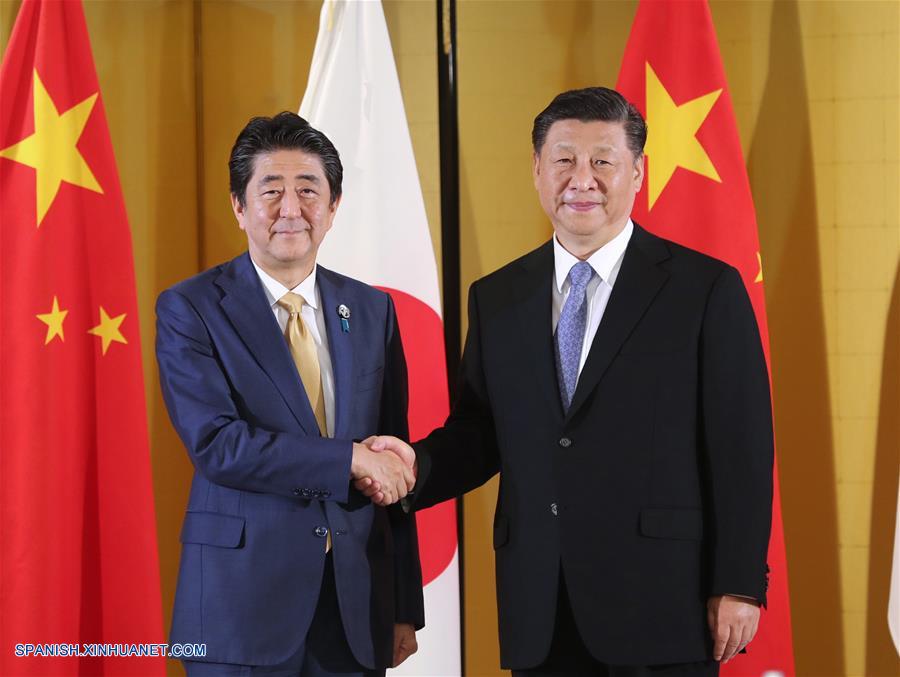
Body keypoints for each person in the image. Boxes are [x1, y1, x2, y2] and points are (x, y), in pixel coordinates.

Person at [359, 87, 773, 676]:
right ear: (536, 170)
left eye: (603, 160)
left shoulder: (704, 290)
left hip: (662, 605)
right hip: (540, 604)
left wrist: (738, 583)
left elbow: (742, 450)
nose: (583, 178)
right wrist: (414, 466)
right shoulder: (499, 296)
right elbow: (482, 432)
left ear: (638, 172)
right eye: (564, 160)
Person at [156, 112, 423, 677]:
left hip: (353, 606)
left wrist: (403, 606)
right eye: (270, 191)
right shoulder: (192, 308)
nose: (290, 209)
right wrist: (348, 457)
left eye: (308, 191)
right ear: (238, 205)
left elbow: (392, 456)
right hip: (240, 606)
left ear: (333, 207)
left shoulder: (372, 311)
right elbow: (218, 445)